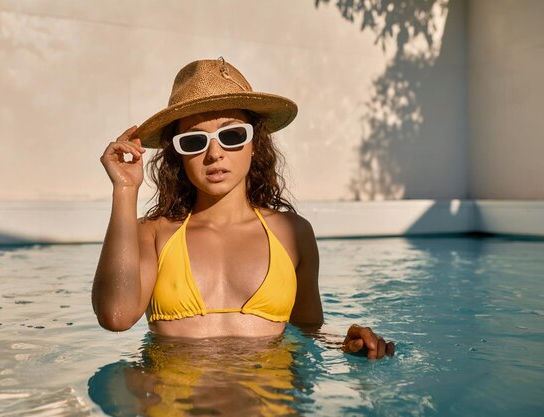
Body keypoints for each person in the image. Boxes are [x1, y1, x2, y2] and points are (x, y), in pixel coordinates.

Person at [92, 57, 394, 359]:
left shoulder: (293, 233)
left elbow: (306, 333)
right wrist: (125, 189)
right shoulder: (154, 234)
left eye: (232, 136)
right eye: (194, 141)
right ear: (178, 154)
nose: (214, 154)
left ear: (255, 142)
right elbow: (116, 316)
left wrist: (348, 346)